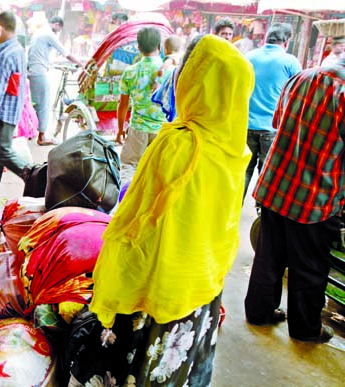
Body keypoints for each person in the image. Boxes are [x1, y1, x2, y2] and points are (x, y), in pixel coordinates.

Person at [76, 35, 254, 386]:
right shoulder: (237, 151)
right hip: (201, 288)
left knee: (140, 368)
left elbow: (132, 221)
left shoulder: (179, 143)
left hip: (157, 289)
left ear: (194, 83)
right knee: (180, 369)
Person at [244, 33, 345, 344]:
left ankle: (259, 312)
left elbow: (278, 121)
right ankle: (305, 330)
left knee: (268, 256)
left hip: (276, 184)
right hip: (314, 197)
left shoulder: (304, 75)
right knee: (309, 268)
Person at [243, 23, 301, 202]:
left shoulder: (248, 57)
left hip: (245, 125)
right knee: (267, 173)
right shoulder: (290, 61)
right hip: (271, 127)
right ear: (286, 41)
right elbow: (297, 94)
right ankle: (262, 213)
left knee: (244, 170)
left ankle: (234, 209)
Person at [115, 27, 166, 184]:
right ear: (159, 46)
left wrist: (120, 129)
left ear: (138, 47)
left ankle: (125, 200)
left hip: (138, 129)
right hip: (162, 130)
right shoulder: (169, 71)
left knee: (129, 167)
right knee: (157, 170)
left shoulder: (130, 72)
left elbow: (123, 105)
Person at [0, 11, 30, 199]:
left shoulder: (7, 53)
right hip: (12, 110)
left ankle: (33, 174)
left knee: (2, 152)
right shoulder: (18, 49)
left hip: (3, 111)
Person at [27, 15, 83, 146]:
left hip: (33, 71)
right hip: (39, 72)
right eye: (59, 29)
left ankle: (31, 131)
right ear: (57, 25)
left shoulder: (39, 33)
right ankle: (42, 136)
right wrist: (81, 64)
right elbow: (66, 53)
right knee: (44, 104)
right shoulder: (48, 34)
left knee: (35, 103)